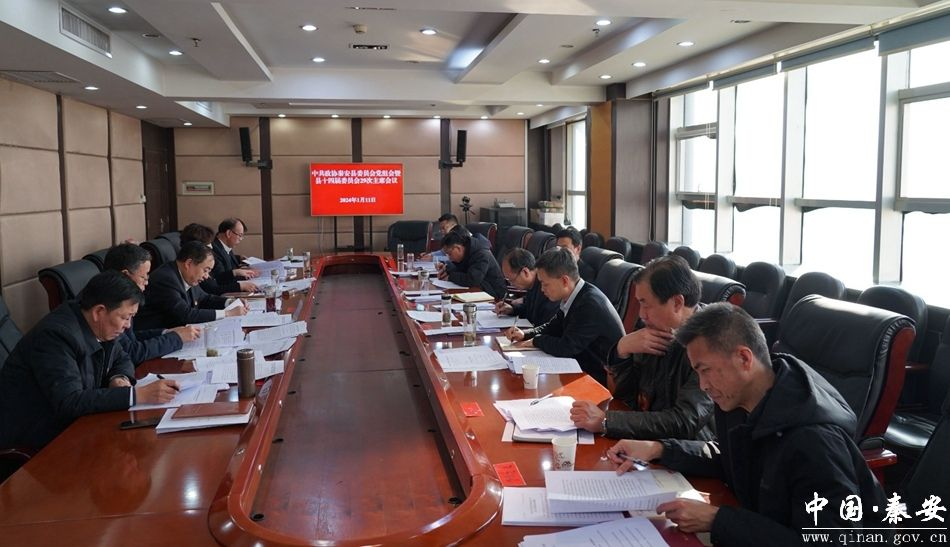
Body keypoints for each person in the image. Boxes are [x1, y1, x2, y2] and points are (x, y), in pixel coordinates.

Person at [607, 303, 887, 546]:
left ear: (743, 358)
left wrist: (718, 520)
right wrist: (659, 449)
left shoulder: (814, 441)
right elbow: (733, 458)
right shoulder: (741, 400)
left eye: (706, 370)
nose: (703, 386)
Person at [0, 271, 181, 449]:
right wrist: (137, 395)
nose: (128, 325)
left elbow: (122, 357)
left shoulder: (99, 324)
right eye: (125, 317)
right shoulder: (56, 336)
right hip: (38, 437)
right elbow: (69, 401)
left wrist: (119, 378)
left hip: (77, 425)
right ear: (99, 311)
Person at [571, 255, 714, 441]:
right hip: (642, 439)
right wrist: (621, 350)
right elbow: (627, 398)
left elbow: (685, 421)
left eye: (646, 305)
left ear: (677, 303)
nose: (641, 314)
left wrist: (607, 421)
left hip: (684, 449)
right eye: (639, 303)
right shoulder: (651, 327)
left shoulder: (710, 343)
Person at [506, 247, 624, 385]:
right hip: (581, 366)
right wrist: (526, 334)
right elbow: (554, 326)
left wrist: (535, 341)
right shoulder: (574, 295)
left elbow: (567, 347)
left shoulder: (589, 304)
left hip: (600, 378)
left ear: (564, 281)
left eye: (545, 284)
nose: (542, 289)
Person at [103, 244, 201, 364]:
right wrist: (176, 338)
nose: (147, 282)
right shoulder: (110, 304)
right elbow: (130, 352)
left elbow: (131, 338)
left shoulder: (122, 299)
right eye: (143, 277)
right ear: (125, 275)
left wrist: (167, 333)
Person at [135, 241, 248, 330]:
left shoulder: (186, 275)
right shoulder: (166, 279)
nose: (207, 276)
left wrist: (230, 302)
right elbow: (186, 315)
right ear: (189, 264)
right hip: (156, 337)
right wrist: (227, 313)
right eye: (205, 270)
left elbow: (205, 298)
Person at [181, 222, 256, 295]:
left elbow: (205, 296)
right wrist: (240, 286)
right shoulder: (196, 271)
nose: (212, 249)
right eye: (240, 235)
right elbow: (214, 288)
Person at [436, 226, 507, 300]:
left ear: (458, 248)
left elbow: (472, 280)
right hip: (479, 290)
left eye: (450, 254)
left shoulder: (481, 254)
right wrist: (446, 269)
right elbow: (460, 269)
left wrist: (450, 277)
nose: (449, 258)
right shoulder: (467, 251)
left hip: (494, 294)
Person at [495, 248, 560, 326]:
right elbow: (529, 310)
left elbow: (545, 324)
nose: (511, 284)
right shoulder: (531, 284)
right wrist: (512, 310)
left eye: (512, 280)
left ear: (525, 272)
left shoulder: (547, 287)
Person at [210, 218, 260, 289]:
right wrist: (237, 273)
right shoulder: (213, 250)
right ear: (229, 233)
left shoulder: (224, 246)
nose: (241, 239)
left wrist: (239, 259)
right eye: (240, 235)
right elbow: (220, 278)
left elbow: (226, 260)